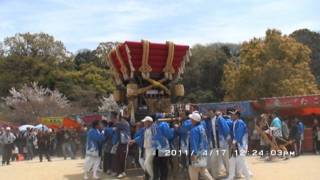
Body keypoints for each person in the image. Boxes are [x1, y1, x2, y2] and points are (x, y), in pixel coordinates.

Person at [225, 110, 251, 180]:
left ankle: (248, 177)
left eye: (233, 115)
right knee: (232, 160)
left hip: (240, 145)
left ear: (237, 116)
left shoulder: (240, 123)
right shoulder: (235, 122)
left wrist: (233, 143)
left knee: (241, 162)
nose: (231, 116)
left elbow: (239, 134)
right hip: (237, 144)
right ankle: (231, 176)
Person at [188, 112, 213, 180]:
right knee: (203, 171)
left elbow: (194, 143)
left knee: (193, 172)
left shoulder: (194, 130)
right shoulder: (202, 128)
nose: (190, 120)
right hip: (203, 153)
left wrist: (193, 154)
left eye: (191, 119)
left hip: (196, 154)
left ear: (194, 120)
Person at [130, 116, 155, 180]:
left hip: (152, 149)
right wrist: (133, 140)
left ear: (149, 122)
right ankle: (149, 176)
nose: (144, 123)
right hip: (146, 148)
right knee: (148, 163)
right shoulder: (145, 129)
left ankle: (152, 177)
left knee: (146, 163)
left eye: (145, 122)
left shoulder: (153, 129)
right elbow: (141, 137)